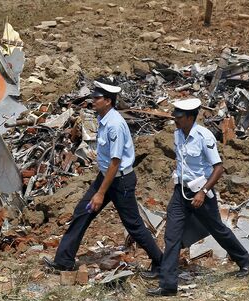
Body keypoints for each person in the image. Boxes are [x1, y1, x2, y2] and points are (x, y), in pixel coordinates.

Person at [43, 79, 163, 273]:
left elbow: (115, 162)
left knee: (133, 225)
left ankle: (160, 262)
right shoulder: (104, 119)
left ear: (108, 101)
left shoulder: (114, 124)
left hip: (120, 181)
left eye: (97, 98)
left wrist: (100, 193)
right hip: (107, 177)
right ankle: (63, 261)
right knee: (82, 212)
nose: (93, 101)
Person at [147, 98, 249, 297]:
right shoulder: (177, 134)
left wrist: (203, 191)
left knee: (217, 229)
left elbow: (218, 168)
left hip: (201, 193)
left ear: (190, 117)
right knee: (172, 235)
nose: (175, 120)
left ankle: (244, 259)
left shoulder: (204, 136)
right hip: (181, 192)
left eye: (178, 117)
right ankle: (168, 285)